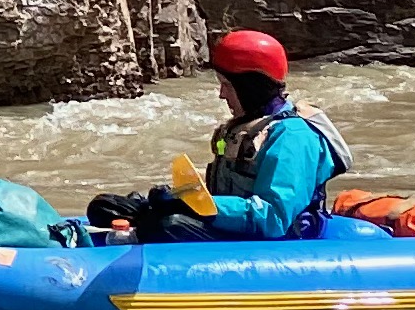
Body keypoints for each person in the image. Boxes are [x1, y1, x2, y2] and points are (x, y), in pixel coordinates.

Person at [84, 30, 349, 242]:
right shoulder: (244, 127)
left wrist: (194, 207)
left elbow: (273, 218)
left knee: (169, 226)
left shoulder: (292, 137)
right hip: (234, 223)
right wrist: (177, 198)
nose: (222, 95)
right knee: (105, 207)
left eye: (227, 86)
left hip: (278, 239)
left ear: (251, 88)